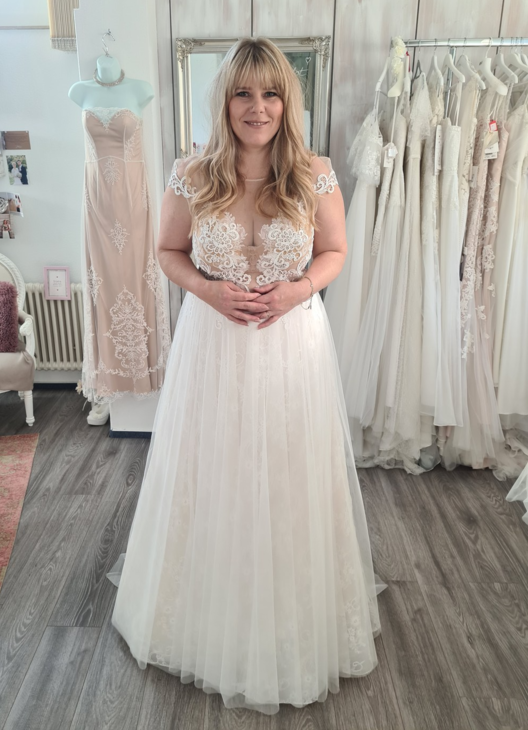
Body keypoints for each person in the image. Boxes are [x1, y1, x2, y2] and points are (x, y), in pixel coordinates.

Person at [110, 38, 384, 714]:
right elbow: (168, 250)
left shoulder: (315, 172)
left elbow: (335, 250)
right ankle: (207, 612)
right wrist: (207, 290)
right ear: (224, 101)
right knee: (215, 470)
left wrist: (301, 290)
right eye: (242, 92)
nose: (256, 107)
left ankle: (291, 615)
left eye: (270, 93)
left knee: (290, 471)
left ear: (286, 102)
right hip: (214, 345)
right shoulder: (192, 173)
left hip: (293, 344)